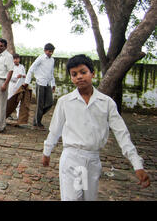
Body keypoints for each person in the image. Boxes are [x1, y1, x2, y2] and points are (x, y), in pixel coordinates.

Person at [42, 54, 150, 201]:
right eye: (74, 74)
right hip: (72, 158)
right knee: (71, 198)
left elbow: (122, 133)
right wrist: (47, 151)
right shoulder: (65, 102)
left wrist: (137, 163)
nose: (79, 77)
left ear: (93, 73)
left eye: (83, 72)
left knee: (89, 198)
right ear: (71, 78)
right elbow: (55, 129)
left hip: (93, 160)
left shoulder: (106, 103)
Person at [23, 43, 56, 129]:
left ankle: (36, 118)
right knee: (40, 104)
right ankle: (37, 123)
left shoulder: (52, 60)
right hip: (40, 83)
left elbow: (51, 73)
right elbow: (31, 69)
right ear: (45, 51)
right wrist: (27, 82)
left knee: (50, 103)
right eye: (49, 51)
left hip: (48, 84)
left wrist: (53, 84)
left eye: (52, 52)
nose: (51, 53)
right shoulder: (40, 58)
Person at [8, 53, 26, 119]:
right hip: (12, 84)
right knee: (10, 99)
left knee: (19, 100)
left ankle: (18, 116)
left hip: (19, 85)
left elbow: (24, 75)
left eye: (17, 59)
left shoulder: (22, 66)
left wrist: (22, 76)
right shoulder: (11, 67)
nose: (15, 60)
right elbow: (9, 77)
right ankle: (8, 114)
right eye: (14, 59)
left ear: (19, 59)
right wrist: (16, 76)